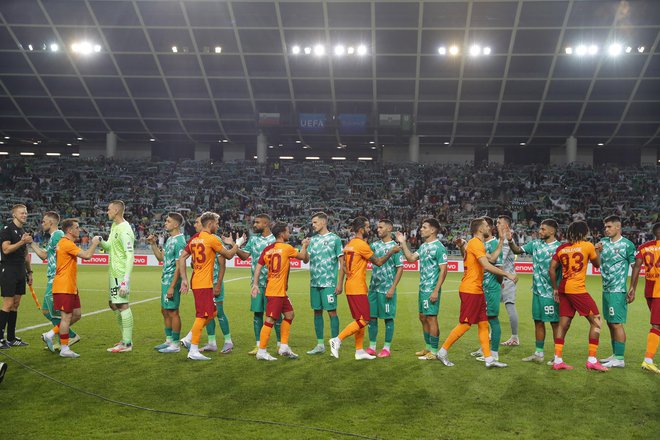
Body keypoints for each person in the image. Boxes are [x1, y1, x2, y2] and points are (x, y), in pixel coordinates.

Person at [437, 218, 516, 368]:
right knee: (466, 324)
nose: (489, 227)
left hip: (477, 290)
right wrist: (508, 274)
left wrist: (501, 240)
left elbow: (492, 258)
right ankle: (442, 351)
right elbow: (486, 265)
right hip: (470, 289)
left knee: (483, 324)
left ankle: (489, 359)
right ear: (480, 229)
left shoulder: (475, 244)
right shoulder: (475, 243)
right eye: (486, 225)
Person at [329, 217, 400, 360]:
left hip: (351, 285)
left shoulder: (349, 244)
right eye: (367, 227)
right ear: (361, 229)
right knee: (365, 319)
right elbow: (379, 262)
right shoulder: (361, 245)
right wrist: (391, 251)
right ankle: (337, 340)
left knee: (358, 319)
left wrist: (344, 279)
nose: (370, 229)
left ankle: (359, 350)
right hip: (357, 288)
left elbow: (343, 265)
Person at [178, 212, 237, 360]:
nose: (218, 226)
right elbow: (229, 255)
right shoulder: (211, 239)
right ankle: (193, 349)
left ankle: (189, 337)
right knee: (202, 316)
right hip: (204, 284)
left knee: (213, 312)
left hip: (197, 281)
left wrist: (184, 279)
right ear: (210, 224)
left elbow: (182, 258)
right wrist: (238, 243)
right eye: (216, 223)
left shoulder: (194, 239)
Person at [549, 220, 606, 371]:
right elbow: (597, 264)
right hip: (577, 290)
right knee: (597, 321)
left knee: (564, 324)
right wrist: (598, 250)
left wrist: (555, 288)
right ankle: (592, 360)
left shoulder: (561, 248)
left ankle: (558, 360)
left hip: (563, 289)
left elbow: (552, 269)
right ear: (584, 232)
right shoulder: (587, 246)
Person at [41, 219, 100, 357]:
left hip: (70, 286)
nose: (79, 229)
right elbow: (87, 256)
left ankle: (50, 334)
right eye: (77, 227)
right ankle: (64, 349)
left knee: (77, 314)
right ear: (70, 230)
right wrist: (94, 243)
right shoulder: (66, 243)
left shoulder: (65, 243)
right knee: (66, 317)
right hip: (64, 286)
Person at [251, 222, 309, 361]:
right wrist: (305, 245)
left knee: (289, 315)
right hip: (275, 291)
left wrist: (255, 283)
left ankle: (283, 347)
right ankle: (262, 351)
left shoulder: (268, 249)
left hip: (278, 290)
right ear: (282, 234)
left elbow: (258, 266)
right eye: (288, 232)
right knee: (270, 320)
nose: (289, 234)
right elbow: (303, 258)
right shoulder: (286, 248)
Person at [507, 219, 562, 364]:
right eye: (540, 228)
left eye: (543, 229)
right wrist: (510, 240)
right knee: (538, 322)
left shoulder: (560, 248)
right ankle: (539, 353)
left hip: (551, 294)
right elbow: (517, 250)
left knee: (554, 323)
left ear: (552, 231)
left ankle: (558, 356)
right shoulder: (535, 244)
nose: (540, 231)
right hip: (537, 292)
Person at [396, 218, 447, 360]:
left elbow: (443, 270)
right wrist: (403, 243)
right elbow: (411, 259)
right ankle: (428, 348)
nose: (421, 229)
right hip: (422, 288)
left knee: (431, 318)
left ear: (433, 230)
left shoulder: (439, 247)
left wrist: (436, 290)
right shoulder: (424, 246)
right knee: (423, 317)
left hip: (431, 288)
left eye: (424, 227)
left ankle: (435, 351)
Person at [29, 211, 80, 350]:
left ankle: (68, 336)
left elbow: (64, 251)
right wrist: (31, 243)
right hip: (54, 277)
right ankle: (63, 338)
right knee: (49, 311)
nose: (42, 223)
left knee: (55, 312)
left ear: (51, 222)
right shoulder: (52, 237)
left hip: (57, 278)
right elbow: (44, 255)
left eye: (44, 221)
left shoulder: (58, 235)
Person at [595, 215, 636, 368]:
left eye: (609, 227)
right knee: (611, 323)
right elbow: (598, 265)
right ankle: (615, 354)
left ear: (618, 227)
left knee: (617, 323)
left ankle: (620, 359)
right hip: (606, 290)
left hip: (618, 290)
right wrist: (597, 251)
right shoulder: (603, 243)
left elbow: (635, 267)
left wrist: (632, 288)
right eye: (605, 227)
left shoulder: (627, 245)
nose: (606, 229)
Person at [236, 214, 279, 355]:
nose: (254, 225)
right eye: (254, 222)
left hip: (274, 284)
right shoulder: (253, 240)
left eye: (257, 222)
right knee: (257, 314)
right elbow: (244, 256)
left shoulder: (276, 240)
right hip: (257, 285)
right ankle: (259, 345)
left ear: (266, 224)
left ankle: (280, 344)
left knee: (276, 315)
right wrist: (235, 245)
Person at [464, 217, 505, 362]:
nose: (488, 228)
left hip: (491, 287)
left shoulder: (493, 243)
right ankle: (484, 349)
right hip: (481, 288)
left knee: (492, 318)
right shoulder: (479, 243)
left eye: (489, 225)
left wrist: (497, 285)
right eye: (486, 225)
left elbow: (498, 266)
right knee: (483, 320)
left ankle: (494, 353)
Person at [302, 212, 343, 355]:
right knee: (317, 312)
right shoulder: (312, 240)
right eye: (312, 223)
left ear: (323, 222)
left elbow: (341, 263)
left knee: (332, 312)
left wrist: (339, 283)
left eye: (315, 222)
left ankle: (334, 345)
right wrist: (305, 247)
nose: (312, 225)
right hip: (315, 282)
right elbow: (306, 260)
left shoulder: (335, 239)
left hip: (329, 283)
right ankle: (320, 345)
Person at [98, 200, 136, 353]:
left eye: (109, 209)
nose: (107, 211)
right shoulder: (114, 226)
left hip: (120, 273)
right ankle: (124, 339)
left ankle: (127, 343)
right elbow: (109, 246)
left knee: (122, 305)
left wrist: (125, 281)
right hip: (113, 272)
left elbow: (130, 255)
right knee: (113, 304)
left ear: (116, 210)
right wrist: (100, 241)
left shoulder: (125, 229)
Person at [147, 213, 187, 354]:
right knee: (164, 310)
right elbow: (160, 258)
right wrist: (153, 244)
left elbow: (179, 265)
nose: (165, 223)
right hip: (165, 280)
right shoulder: (170, 239)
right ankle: (169, 340)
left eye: (168, 221)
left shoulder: (180, 241)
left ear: (176, 224)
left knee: (173, 311)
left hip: (172, 281)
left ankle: (175, 344)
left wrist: (172, 286)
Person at [628, 222, 660, 374]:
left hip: (650, 290)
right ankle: (648, 360)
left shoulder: (644, 247)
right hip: (659, 292)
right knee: (656, 325)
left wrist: (632, 288)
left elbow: (636, 267)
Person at [0, 204, 33, 349]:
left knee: (16, 304)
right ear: (14, 215)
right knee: (8, 303)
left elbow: (25, 255)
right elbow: (6, 250)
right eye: (22, 213)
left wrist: (29, 272)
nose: (24, 215)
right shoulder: (7, 230)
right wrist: (22, 241)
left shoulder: (22, 230)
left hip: (20, 269)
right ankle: (0, 338)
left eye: (26, 213)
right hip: (8, 269)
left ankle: (12, 338)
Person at [498, 215, 520, 347]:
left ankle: (515, 337)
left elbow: (500, 259)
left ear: (506, 226)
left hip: (506, 278)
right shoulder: (502, 239)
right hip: (502, 277)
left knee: (509, 306)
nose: (496, 224)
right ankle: (491, 333)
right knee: (490, 307)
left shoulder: (506, 240)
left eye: (499, 222)